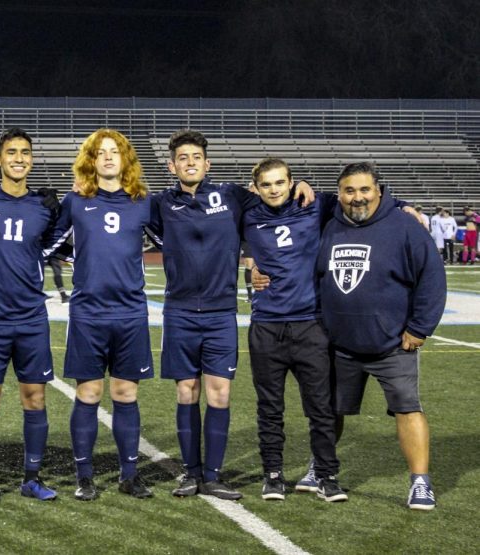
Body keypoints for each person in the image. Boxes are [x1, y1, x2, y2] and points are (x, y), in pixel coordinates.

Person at [149, 130, 313, 501]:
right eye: (183, 158)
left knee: (219, 393)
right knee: (187, 391)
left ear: (207, 164)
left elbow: (276, 199)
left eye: (196, 157)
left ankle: (214, 475)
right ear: (172, 165)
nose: (190, 163)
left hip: (222, 312)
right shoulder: (159, 203)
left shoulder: (231, 196)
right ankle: (190, 474)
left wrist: (302, 182)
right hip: (179, 311)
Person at [318, 162, 445, 511]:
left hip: (393, 344)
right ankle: (322, 468)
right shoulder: (330, 226)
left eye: (364, 190)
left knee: (407, 408)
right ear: (339, 194)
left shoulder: (406, 226)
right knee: (330, 411)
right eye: (349, 190)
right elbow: (317, 276)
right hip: (341, 343)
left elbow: (432, 279)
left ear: (379, 190)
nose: (357, 198)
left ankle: (420, 482)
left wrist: (420, 327)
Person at [45, 128, 154, 500]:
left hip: (130, 312)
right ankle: (85, 476)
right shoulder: (76, 201)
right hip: (88, 313)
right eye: (100, 152)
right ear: (90, 161)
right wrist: (82, 258)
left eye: (115, 151)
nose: (108, 157)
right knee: (89, 393)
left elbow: (174, 240)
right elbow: (50, 246)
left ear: (125, 159)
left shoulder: (143, 202)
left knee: (125, 393)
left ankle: (129, 474)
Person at [0, 128, 59, 503]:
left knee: (34, 398)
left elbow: (61, 241)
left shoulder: (44, 206)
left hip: (32, 317)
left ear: (31, 159)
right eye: (12, 152)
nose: (19, 158)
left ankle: (31, 478)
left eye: (25, 152)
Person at [243, 158, 348, 502]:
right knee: (270, 408)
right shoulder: (244, 210)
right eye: (266, 184)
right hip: (266, 326)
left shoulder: (314, 205)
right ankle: (273, 475)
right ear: (255, 188)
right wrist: (251, 264)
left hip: (310, 324)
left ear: (291, 183)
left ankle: (327, 475)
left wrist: (404, 206)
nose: (274, 189)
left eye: (280, 183)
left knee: (321, 407)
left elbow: (360, 198)